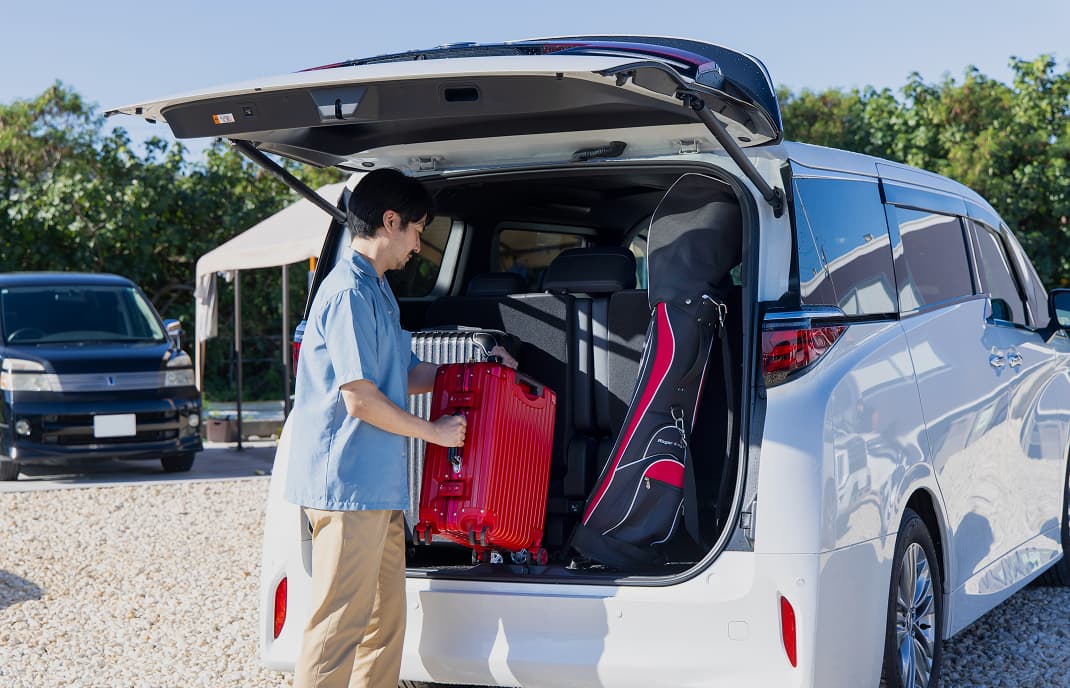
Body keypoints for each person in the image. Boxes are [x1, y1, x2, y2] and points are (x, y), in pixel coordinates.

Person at [284, 168, 515, 688]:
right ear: (390, 221)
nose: (418, 245)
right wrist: (436, 432)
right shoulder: (348, 293)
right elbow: (360, 399)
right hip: (347, 489)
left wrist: (480, 366)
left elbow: (406, 371)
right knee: (338, 626)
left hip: (378, 489)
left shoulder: (378, 290)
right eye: (417, 230)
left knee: (384, 626)